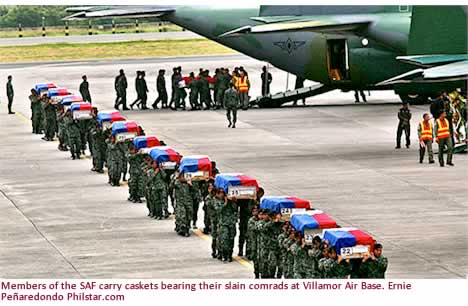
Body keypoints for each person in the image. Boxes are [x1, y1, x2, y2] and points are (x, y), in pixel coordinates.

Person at [218, 190, 238, 262]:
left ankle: (230, 255)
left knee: (231, 239)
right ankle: (224, 255)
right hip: (224, 224)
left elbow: (235, 209)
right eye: (221, 194)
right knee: (224, 239)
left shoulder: (232, 202)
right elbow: (218, 210)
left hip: (232, 223)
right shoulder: (219, 201)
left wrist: (233, 202)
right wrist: (225, 203)